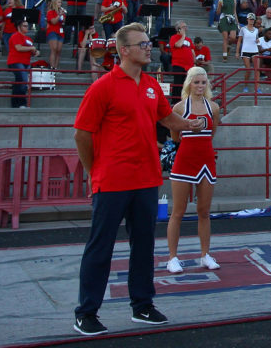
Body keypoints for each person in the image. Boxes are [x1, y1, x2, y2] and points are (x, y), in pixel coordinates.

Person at [73, 23, 207, 336]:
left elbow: (166, 118)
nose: (149, 47)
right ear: (123, 50)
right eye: (142, 43)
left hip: (146, 178)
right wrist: (95, 171)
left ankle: (142, 305)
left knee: (144, 246)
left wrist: (191, 124)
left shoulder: (150, 84)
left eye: (148, 43)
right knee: (100, 247)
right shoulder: (103, 86)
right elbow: (81, 134)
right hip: (112, 180)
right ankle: (86, 312)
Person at [165, 67, 222, 274]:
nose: (200, 86)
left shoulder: (213, 107)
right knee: (178, 212)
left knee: (204, 212)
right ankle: (172, 257)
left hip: (206, 160)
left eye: (203, 82)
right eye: (196, 82)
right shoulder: (179, 108)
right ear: (189, 83)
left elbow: (212, 131)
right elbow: (174, 135)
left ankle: (205, 254)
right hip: (185, 160)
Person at [7, 20, 38, 109]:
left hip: (25, 62)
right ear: (19, 27)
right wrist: (31, 48)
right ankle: (21, 103)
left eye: (27, 26)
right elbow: (18, 48)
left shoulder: (29, 39)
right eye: (24, 26)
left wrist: (35, 52)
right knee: (23, 81)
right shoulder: (15, 36)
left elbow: (30, 50)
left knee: (20, 82)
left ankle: (16, 103)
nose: (26, 27)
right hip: (16, 61)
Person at [168, 21, 195, 100]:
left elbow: (192, 51)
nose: (185, 28)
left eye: (186, 27)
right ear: (178, 29)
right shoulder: (174, 37)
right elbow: (178, 45)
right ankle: (175, 102)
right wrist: (183, 36)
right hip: (178, 64)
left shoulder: (189, 40)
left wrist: (194, 62)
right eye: (183, 27)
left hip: (189, 65)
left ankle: (185, 101)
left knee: (187, 85)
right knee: (178, 84)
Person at [46, 0, 66, 69]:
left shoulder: (62, 12)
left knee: (58, 50)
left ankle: (56, 67)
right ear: (54, 3)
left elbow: (63, 22)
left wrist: (63, 17)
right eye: (58, 2)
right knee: (54, 49)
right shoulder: (50, 12)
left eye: (60, 2)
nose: (60, 4)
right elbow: (53, 22)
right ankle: (52, 67)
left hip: (60, 32)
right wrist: (59, 15)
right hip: (52, 31)